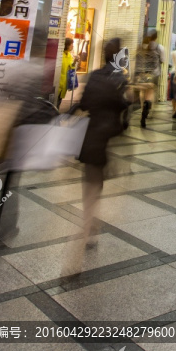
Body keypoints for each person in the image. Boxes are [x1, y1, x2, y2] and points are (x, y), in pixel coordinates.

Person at [67, 38, 131, 272]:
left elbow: (84, 102)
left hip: (93, 136)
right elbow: (123, 110)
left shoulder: (94, 76)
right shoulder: (120, 79)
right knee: (98, 181)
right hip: (108, 137)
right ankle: (89, 228)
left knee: (91, 183)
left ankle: (89, 225)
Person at [133, 35, 161, 128]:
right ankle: (145, 114)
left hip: (140, 78)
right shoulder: (154, 53)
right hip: (149, 78)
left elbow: (136, 66)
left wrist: (137, 76)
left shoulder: (138, 53)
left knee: (142, 93)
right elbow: (155, 66)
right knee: (149, 96)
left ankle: (142, 110)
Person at [57, 38, 76, 108]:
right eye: (71, 45)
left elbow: (71, 68)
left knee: (58, 104)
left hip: (63, 85)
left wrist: (75, 61)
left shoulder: (69, 55)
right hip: (57, 84)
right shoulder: (59, 55)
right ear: (66, 45)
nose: (72, 46)